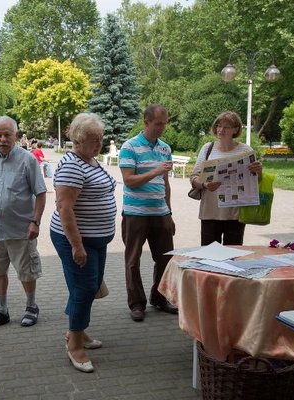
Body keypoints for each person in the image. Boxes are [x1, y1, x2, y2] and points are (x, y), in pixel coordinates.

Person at [50, 113, 117, 373]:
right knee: (85, 288)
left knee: (87, 287)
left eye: (100, 138)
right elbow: (64, 209)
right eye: (93, 139)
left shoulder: (90, 160)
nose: (99, 143)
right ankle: (75, 345)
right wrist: (77, 246)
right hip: (77, 240)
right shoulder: (71, 165)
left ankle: (77, 332)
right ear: (78, 140)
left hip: (97, 239)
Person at [0, 116, 47, 330]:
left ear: (15, 135)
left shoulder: (27, 160)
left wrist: (35, 222)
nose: (3, 139)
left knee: (26, 271)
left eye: (7, 134)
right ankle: (2, 310)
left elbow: (41, 193)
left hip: (21, 229)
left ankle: (31, 307)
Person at [119, 104, 177, 322]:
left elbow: (166, 184)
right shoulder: (130, 147)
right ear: (146, 122)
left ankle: (160, 298)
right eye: (158, 123)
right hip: (135, 213)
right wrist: (155, 171)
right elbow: (129, 180)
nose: (162, 128)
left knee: (165, 259)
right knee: (133, 260)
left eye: (165, 123)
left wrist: (169, 213)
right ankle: (136, 303)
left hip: (160, 212)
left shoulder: (164, 148)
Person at [189, 111, 262, 245]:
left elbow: (255, 182)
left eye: (226, 127)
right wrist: (205, 185)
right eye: (218, 125)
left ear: (236, 129)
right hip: (210, 213)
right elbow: (194, 177)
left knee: (232, 256)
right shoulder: (208, 148)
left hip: (235, 214)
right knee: (209, 256)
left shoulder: (245, 150)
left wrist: (259, 172)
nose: (220, 130)